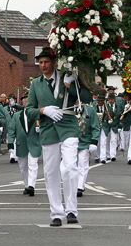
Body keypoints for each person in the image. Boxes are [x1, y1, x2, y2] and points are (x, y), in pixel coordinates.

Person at [25, 48, 92, 226]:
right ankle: (56, 212)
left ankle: (71, 210)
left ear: (55, 62)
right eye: (40, 62)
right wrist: (42, 110)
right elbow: (29, 110)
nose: (43, 65)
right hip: (48, 128)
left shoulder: (67, 77)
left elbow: (86, 97)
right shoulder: (36, 84)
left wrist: (72, 85)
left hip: (68, 125)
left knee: (70, 167)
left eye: (46, 62)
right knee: (51, 172)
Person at [8, 94, 41, 196]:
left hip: (34, 143)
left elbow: (45, 126)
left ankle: (32, 186)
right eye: (25, 101)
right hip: (21, 144)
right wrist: (10, 143)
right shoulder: (17, 115)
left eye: (29, 100)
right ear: (22, 103)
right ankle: (27, 185)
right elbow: (12, 130)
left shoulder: (37, 114)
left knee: (33, 165)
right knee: (23, 167)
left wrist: (41, 129)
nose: (27, 102)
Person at [76, 101, 100, 198]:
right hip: (70, 142)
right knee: (70, 166)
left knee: (83, 165)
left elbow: (95, 127)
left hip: (85, 142)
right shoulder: (67, 109)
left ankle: (80, 186)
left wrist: (94, 141)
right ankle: (72, 185)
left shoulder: (90, 111)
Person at [99, 94, 121, 163]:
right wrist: (107, 119)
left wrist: (119, 126)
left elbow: (120, 115)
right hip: (106, 125)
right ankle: (103, 157)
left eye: (112, 99)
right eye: (109, 99)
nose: (110, 101)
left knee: (113, 140)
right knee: (103, 141)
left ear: (114, 99)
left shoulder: (118, 106)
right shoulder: (106, 107)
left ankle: (112, 155)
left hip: (114, 125)